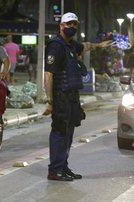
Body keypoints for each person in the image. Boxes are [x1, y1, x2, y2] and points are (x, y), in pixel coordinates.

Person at [43, 12, 111, 181]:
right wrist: (49, 101)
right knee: (59, 132)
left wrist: (99, 45)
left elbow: (85, 46)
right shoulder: (55, 45)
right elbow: (48, 75)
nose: (72, 27)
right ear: (61, 26)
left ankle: (63, 167)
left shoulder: (71, 45)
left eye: (74, 24)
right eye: (69, 24)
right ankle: (55, 170)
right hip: (60, 96)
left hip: (72, 97)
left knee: (69, 133)